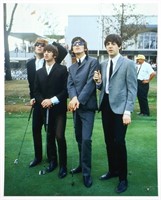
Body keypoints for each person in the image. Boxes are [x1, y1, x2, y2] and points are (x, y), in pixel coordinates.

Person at [93, 34, 137, 193]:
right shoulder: (103, 64)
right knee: (109, 141)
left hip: (121, 109)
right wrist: (98, 82)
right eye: (107, 44)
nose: (110, 46)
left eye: (113, 44)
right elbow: (102, 87)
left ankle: (123, 178)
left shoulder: (128, 64)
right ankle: (113, 170)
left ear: (119, 46)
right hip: (105, 106)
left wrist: (128, 111)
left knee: (119, 142)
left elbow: (132, 89)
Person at [27, 38, 67, 168]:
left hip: (57, 107)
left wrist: (52, 100)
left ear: (54, 54)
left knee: (57, 136)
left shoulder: (61, 68)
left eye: (47, 50)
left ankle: (59, 163)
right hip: (41, 105)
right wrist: (39, 99)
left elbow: (65, 90)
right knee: (44, 134)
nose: (45, 52)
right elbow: (34, 88)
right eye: (44, 50)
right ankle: (46, 160)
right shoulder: (35, 68)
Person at [67, 37, 99, 187]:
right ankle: (81, 165)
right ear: (72, 50)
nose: (77, 46)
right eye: (75, 44)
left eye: (80, 44)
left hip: (87, 108)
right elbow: (70, 84)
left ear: (85, 48)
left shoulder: (93, 62)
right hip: (76, 107)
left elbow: (91, 83)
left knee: (86, 140)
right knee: (79, 138)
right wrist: (73, 98)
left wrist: (78, 100)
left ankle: (86, 173)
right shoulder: (71, 68)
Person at [27, 38, 48, 167]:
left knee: (49, 131)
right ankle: (38, 157)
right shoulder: (30, 64)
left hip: (48, 102)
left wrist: (50, 43)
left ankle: (52, 158)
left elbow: (61, 50)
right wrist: (32, 97)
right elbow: (31, 84)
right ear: (34, 47)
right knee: (35, 129)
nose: (39, 47)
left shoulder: (50, 60)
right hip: (36, 102)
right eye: (37, 44)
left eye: (42, 45)